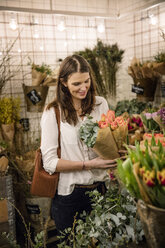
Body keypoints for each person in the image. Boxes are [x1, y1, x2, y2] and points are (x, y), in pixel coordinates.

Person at [40, 54, 116, 232]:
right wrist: (88, 164)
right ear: (64, 83)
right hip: (70, 196)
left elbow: (110, 141)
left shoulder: (100, 104)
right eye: (76, 84)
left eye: (86, 81)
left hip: (101, 189)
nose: (83, 88)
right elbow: (50, 163)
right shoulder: (53, 112)